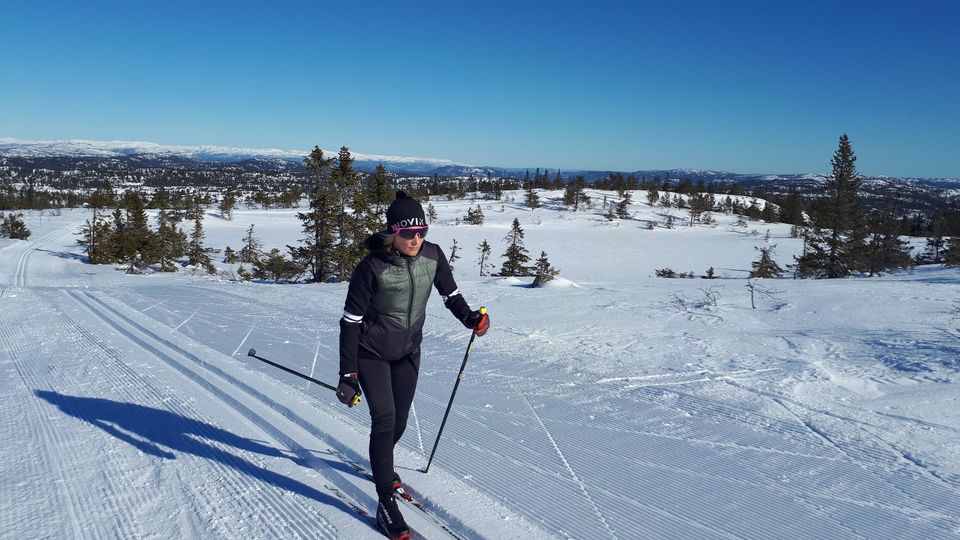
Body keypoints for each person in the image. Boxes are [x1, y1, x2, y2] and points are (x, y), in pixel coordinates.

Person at [336, 191, 490, 539]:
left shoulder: (432, 256)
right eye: (408, 233)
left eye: (422, 230)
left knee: (400, 422)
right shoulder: (371, 267)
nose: (416, 239)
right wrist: (348, 374)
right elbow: (349, 322)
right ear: (393, 233)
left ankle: (383, 466)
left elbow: (450, 295)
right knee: (385, 418)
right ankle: (385, 500)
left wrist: (470, 318)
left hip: (408, 351)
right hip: (371, 352)